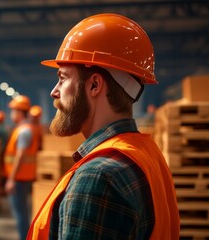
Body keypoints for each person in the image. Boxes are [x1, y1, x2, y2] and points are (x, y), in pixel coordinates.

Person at [28, 13, 180, 239]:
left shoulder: (98, 176)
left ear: (95, 85)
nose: (54, 91)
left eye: (63, 78)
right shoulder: (146, 154)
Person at [3, 95, 39, 240]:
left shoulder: (24, 131)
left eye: (13, 110)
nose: (11, 114)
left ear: (19, 112)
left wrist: (11, 179)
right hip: (24, 176)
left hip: (19, 178)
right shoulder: (26, 128)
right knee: (22, 212)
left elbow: (20, 156)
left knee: (21, 214)